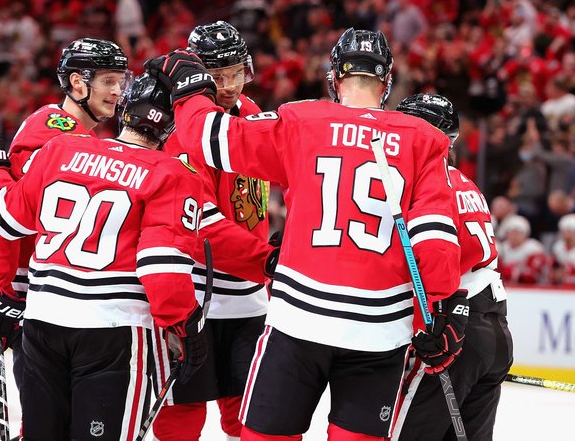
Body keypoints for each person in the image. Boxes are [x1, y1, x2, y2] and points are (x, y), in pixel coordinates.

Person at [146, 28, 462, 440]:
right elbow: (436, 243)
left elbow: (208, 137)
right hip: (380, 330)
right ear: (387, 82)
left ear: (334, 77)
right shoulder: (425, 139)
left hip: (299, 320)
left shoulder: (302, 120)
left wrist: (188, 90)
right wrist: (438, 315)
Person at [0, 72, 208, 440]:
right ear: (171, 129)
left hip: (43, 325)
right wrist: (186, 328)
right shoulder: (173, 173)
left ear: (124, 111)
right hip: (113, 332)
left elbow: (2, 217)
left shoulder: (62, 149)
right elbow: (162, 269)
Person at [0, 38, 130, 394]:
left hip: (64, 304)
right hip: (41, 305)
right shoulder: (50, 129)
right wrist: (0, 286)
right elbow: (2, 214)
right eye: (108, 81)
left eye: (121, 81)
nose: (118, 91)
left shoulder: (84, 136)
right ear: (76, 82)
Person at [153, 20, 275, 441]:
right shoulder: (177, 134)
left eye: (235, 73)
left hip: (250, 301)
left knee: (249, 420)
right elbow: (200, 226)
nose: (227, 85)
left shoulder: (255, 115)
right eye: (216, 76)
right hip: (193, 300)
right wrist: (269, 261)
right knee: (180, 422)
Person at [392, 93, 513, 441]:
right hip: (494, 323)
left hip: (455, 324)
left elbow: (427, 260)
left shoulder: (426, 186)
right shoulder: (466, 182)